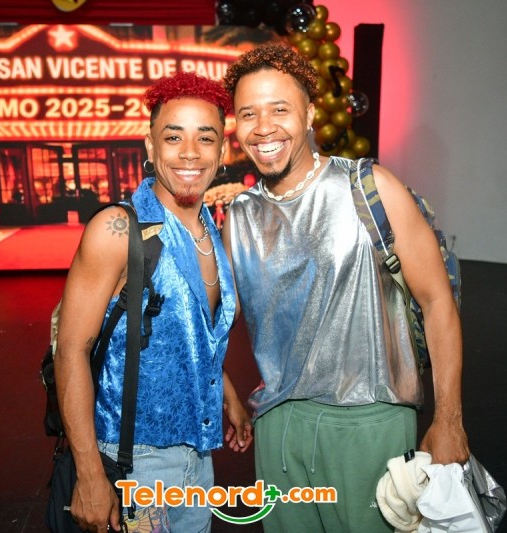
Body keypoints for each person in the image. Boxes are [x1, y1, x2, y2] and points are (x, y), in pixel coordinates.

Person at [221, 43, 470, 531]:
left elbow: (437, 302)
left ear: (310, 114)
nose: (263, 127)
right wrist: (228, 392)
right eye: (248, 113)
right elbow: (213, 323)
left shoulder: (370, 187)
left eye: (279, 109)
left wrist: (449, 420)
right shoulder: (240, 216)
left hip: (368, 422)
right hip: (279, 427)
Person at [53, 71, 253, 533]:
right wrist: (89, 473)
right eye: (174, 137)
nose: (190, 152)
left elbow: (187, 334)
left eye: (205, 138)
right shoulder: (116, 230)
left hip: (199, 458)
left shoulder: (212, 234)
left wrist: (227, 394)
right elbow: (71, 351)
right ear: (150, 145)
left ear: (222, 151)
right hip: (132, 463)